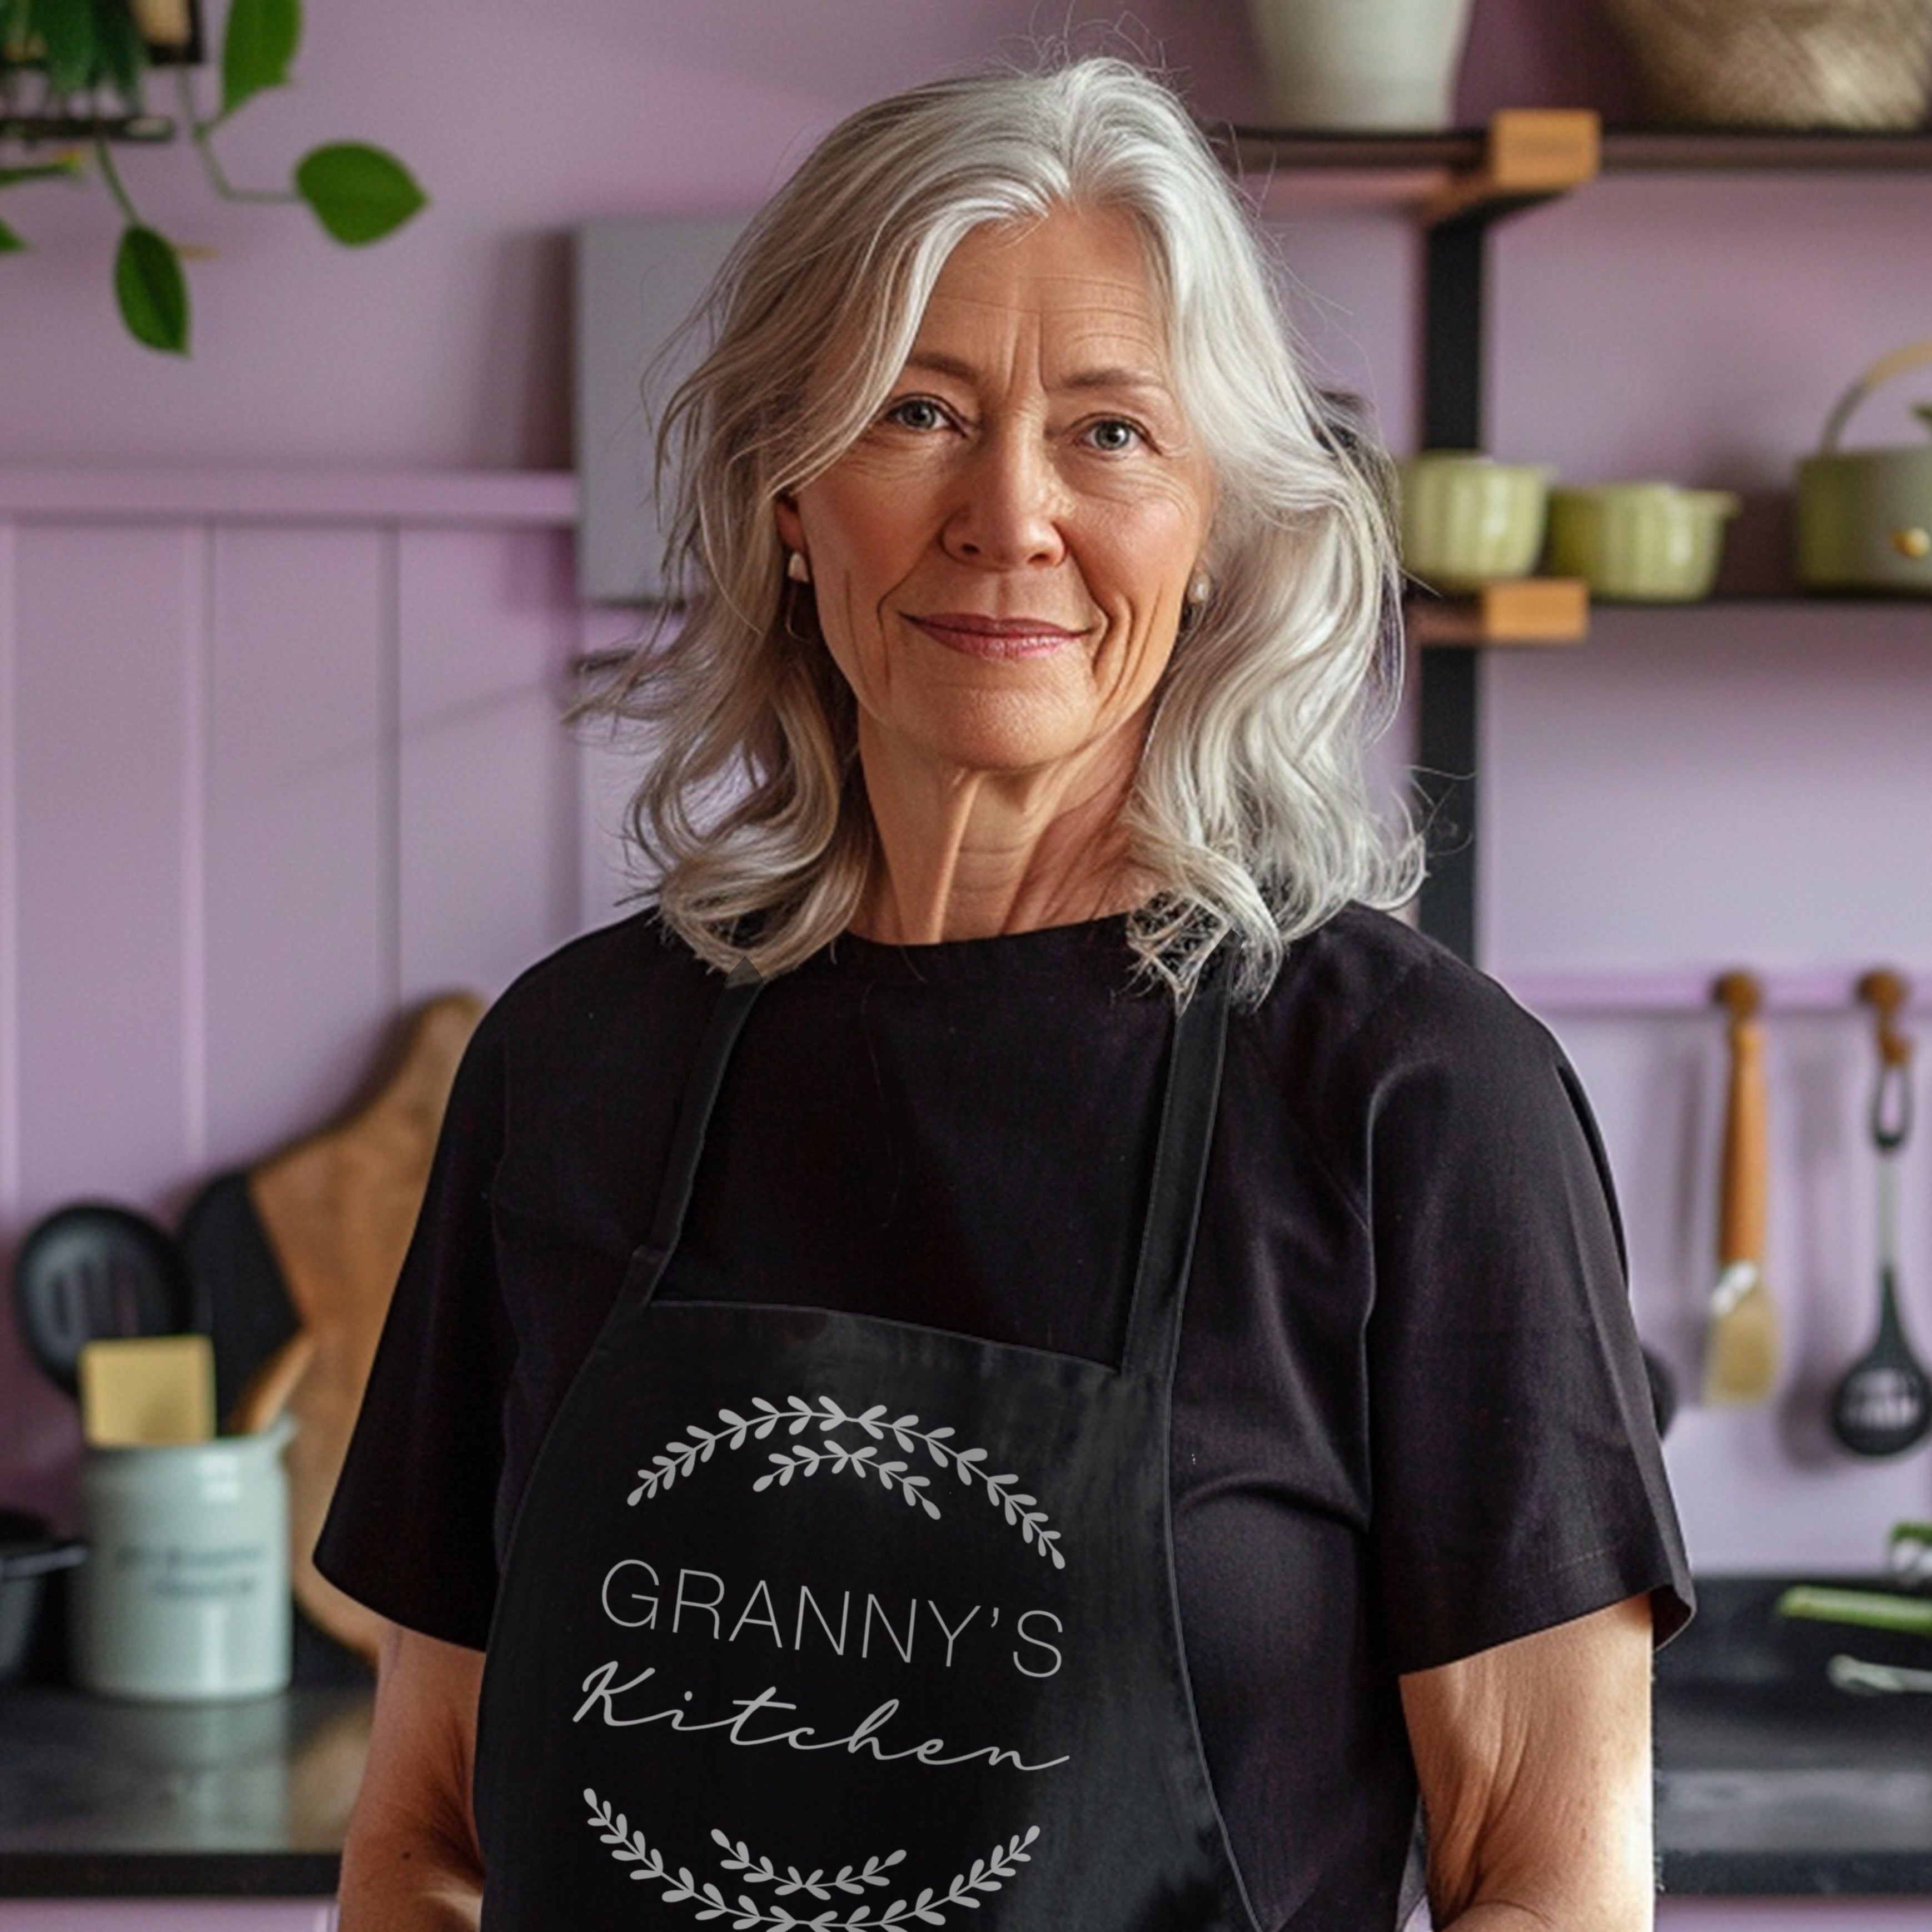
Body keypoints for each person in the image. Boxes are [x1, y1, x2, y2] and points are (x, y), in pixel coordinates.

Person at [321, 56, 1690, 1932]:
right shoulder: (570, 1060)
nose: (1007, 513)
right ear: (789, 494)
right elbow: (421, 1839)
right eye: (914, 409)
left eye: (1112, 432)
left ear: (1213, 527)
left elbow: (1542, 1879)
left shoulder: (1415, 1097)